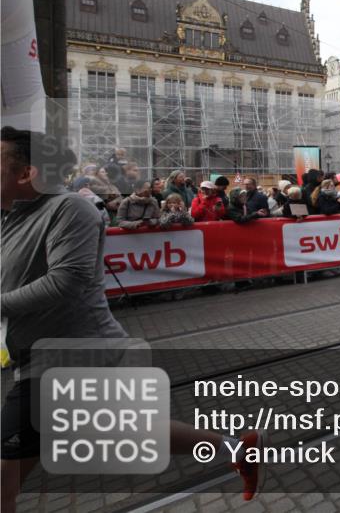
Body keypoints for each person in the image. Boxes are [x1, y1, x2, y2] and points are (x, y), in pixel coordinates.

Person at [0, 128, 264, 510]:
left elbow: (66, 282)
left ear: (24, 173)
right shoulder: (9, 218)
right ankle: (236, 448)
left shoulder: (69, 209)